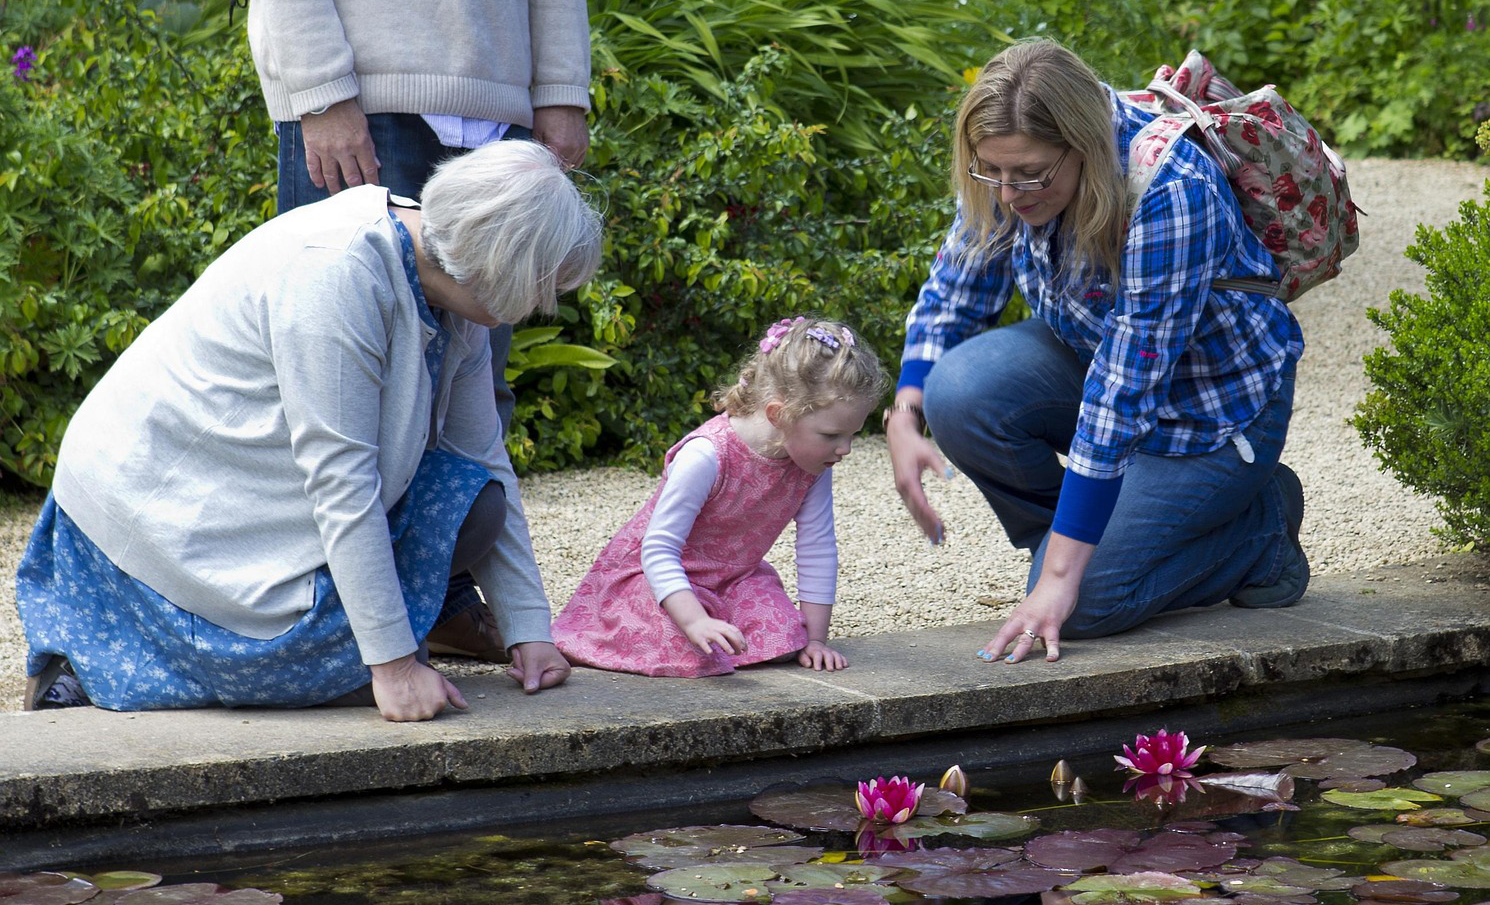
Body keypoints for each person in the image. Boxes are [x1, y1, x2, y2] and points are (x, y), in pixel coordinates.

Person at [16, 141, 603, 721]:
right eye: (546, 284)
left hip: (250, 493)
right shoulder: (336, 272)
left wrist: (528, 629)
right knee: (355, 676)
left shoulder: (454, 284)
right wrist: (393, 666)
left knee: (478, 505)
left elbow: (482, 457)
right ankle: (85, 664)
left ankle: (378, 640)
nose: (547, 303)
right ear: (503, 266)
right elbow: (342, 482)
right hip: (156, 515)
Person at [885, 39, 1308, 665]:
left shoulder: (1170, 189)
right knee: (959, 391)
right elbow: (957, 288)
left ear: (1081, 146)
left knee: (1082, 607)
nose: (1007, 194)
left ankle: (1262, 528)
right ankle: (1077, 544)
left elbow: (1122, 394)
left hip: (1213, 418)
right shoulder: (1015, 165)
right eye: (989, 171)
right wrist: (905, 411)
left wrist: (1063, 581)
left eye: (1028, 174)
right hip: (1099, 362)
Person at [247, 0, 593, 662]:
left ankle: (431, 600)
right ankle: (304, 617)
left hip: (500, 98)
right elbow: (331, 451)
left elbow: (480, 442)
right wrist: (320, 88)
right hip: (365, 90)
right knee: (325, 407)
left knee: (473, 393)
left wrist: (559, 86)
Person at [551, 317, 887, 678]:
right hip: (658, 579)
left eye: (852, 434)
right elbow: (658, 550)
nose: (845, 449)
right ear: (778, 415)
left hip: (734, 578)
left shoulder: (813, 465)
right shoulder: (706, 456)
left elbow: (817, 546)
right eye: (832, 434)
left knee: (786, 635)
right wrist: (694, 621)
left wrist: (817, 640)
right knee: (688, 648)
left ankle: (720, 625)